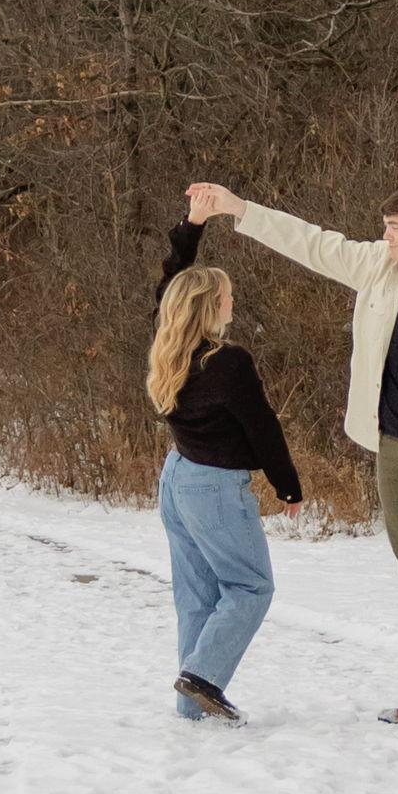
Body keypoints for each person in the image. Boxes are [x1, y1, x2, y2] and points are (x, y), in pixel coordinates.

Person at [184, 179, 398, 728]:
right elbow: (312, 242)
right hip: (393, 452)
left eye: (395, 228)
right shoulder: (378, 268)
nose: (385, 237)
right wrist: (238, 210)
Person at [147, 229, 302, 728]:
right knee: (250, 588)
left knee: (196, 595)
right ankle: (201, 678)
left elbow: (167, 287)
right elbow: (262, 425)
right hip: (213, 488)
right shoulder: (227, 362)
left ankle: (192, 703)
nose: (234, 300)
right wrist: (288, 484)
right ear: (211, 304)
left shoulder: (168, 349)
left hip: (177, 479)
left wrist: (190, 228)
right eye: (228, 294)